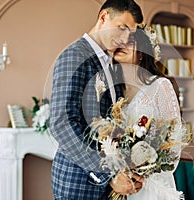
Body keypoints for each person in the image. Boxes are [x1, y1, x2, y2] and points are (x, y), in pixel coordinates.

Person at [50, 1, 144, 199]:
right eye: (122, 28)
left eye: (131, 33)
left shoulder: (109, 63)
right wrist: (108, 174)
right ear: (103, 17)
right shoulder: (75, 56)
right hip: (78, 183)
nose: (126, 38)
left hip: (106, 186)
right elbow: (62, 123)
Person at [113, 25, 185, 200]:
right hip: (122, 185)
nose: (121, 44)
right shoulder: (113, 92)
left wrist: (143, 169)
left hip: (154, 187)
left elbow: (174, 143)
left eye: (130, 41)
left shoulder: (160, 86)